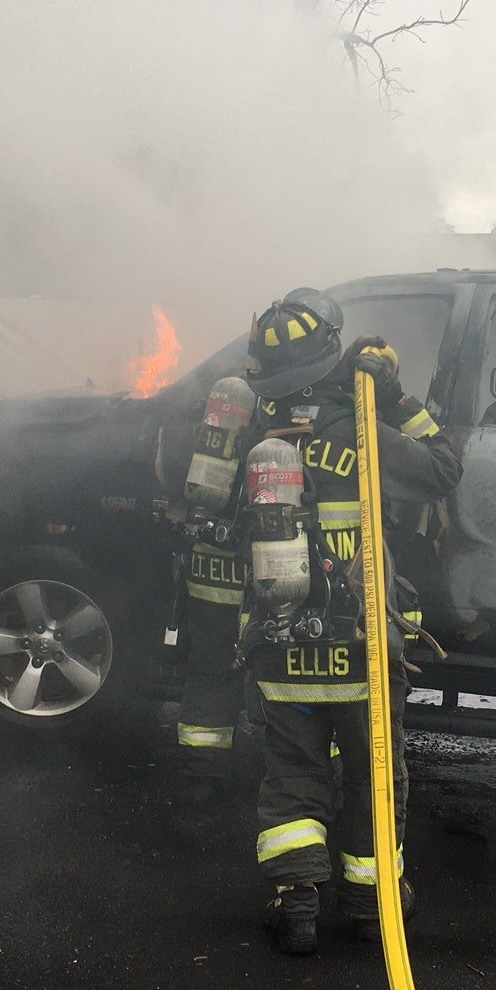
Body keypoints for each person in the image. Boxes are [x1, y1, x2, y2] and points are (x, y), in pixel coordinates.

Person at [240, 294, 460, 954]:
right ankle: (371, 902)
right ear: (326, 357)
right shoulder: (361, 431)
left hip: (283, 647)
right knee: (372, 773)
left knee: (292, 773)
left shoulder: (256, 438)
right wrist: (392, 396)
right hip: (361, 648)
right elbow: (443, 469)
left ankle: (296, 903)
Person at [168, 288, 344, 811]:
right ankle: (301, 783)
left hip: (212, 566)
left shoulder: (234, 405)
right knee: (292, 675)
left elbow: (187, 473)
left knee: (209, 674)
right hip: (273, 573)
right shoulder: (318, 417)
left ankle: (198, 786)